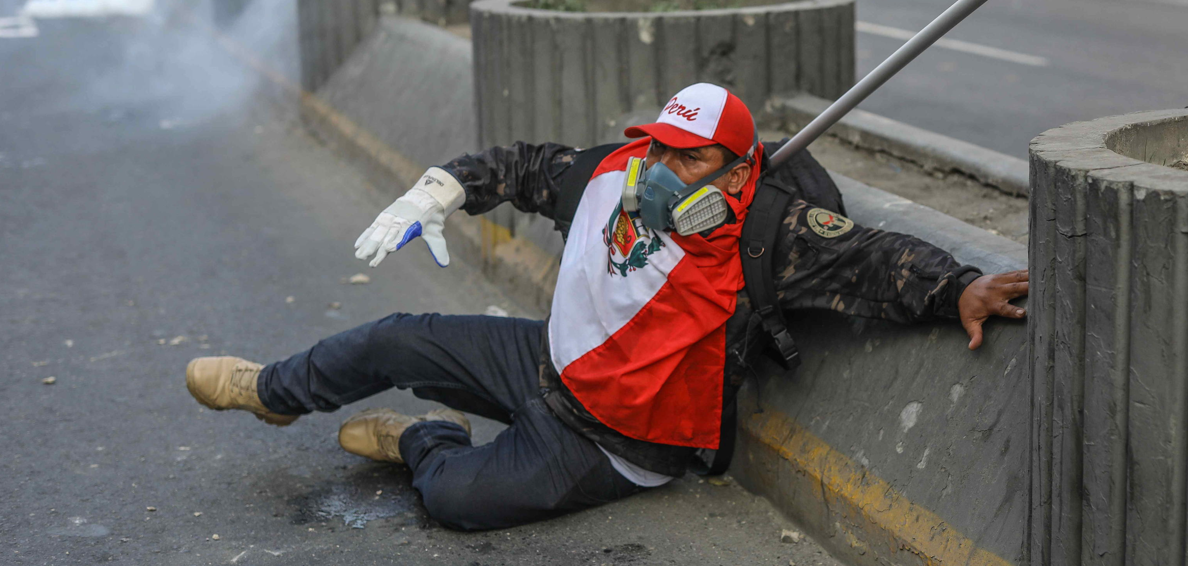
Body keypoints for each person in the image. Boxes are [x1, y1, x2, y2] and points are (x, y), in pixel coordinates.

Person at [185, 83, 1028, 531]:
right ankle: (274, 392)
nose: (658, 168)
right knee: (394, 338)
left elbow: (879, 260)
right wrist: (440, 190)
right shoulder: (612, 171)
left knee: (457, 503)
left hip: (618, 442)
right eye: (656, 145)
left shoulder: (772, 230)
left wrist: (958, 287)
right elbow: (520, 166)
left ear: (736, 173)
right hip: (545, 363)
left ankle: (422, 439)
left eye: (686, 159)